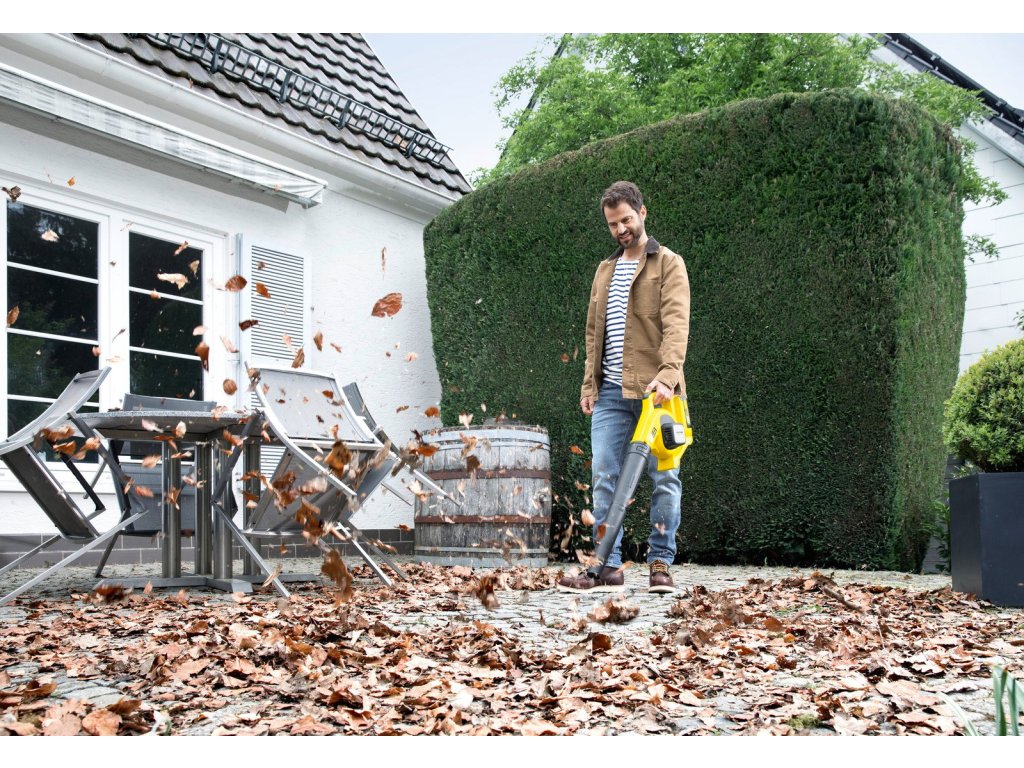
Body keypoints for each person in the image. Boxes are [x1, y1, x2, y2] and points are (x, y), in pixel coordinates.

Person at [558, 180, 690, 594]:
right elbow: (593, 332)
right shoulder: (605, 270)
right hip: (611, 395)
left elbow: (677, 326)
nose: (620, 230)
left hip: (658, 394)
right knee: (604, 476)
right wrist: (589, 384)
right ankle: (606, 566)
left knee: (664, 478)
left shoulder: (668, 264)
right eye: (613, 224)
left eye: (626, 220)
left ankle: (660, 563)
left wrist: (668, 376)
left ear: (642, 213)